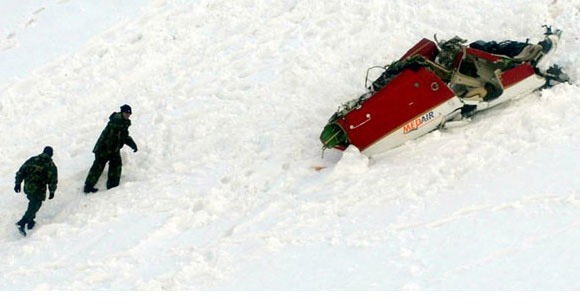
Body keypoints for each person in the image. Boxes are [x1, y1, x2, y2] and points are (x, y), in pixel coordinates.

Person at [84, 104, 138, 193]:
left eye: (129, 114)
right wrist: (111, 151)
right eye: (126, 113)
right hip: (104, 148)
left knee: (115, 165)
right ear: (122, 112)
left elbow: (124, 136)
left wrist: (133, 145)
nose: (128, 115)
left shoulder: (123, 122)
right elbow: (112, 138)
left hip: (113, 149)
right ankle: (89, 186)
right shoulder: (117, 121)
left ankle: (112, 185)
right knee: (98, 167)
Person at [14, 146, 58, 236]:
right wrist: (52, 191)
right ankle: (22, 222)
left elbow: (21, 171)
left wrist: (17, 183)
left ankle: (30, 221)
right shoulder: (50, 164)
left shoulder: (32, 159)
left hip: (28, 187)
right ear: (51, 154)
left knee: (32, 203)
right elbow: (52, 179)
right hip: (38, 190)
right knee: (35, 205)